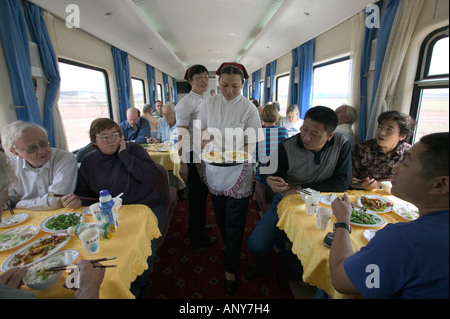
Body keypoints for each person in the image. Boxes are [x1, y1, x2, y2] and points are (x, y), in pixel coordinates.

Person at [329, 132, 449, 299]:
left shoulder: (404, 240)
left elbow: (341, 280)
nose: (395, 168)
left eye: (406, 164)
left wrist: (342, 221)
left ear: (440, 184)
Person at [246, 106, 352, 281]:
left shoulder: (342, 145)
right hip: (288, 200)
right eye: (304, 130)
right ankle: (264, 265)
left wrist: (301, 188)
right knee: (256, 244)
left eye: (315, 134)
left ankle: (288, 264)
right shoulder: (287, 146)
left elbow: (342, 182)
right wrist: (269, 180)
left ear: (330, 136)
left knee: (320, 248)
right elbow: (266, 171)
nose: (306, 137)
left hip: (324, 205)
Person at [61, 118, 164, 297]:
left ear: (122, 136)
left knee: (144, 247)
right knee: (108, 251)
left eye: (115, 135)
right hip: (108, 212)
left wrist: (124, 155)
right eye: (105, 136)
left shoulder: (133, 150)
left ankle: (141, 282)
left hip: (144, 206)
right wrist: (78, 201)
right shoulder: (89, 160)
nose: (111, 140)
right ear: (94, 141)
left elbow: (150, 176)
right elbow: (85, 193)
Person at [197, 62, 264, 296]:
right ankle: (230, 247)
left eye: (235, 86)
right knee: (221, 216)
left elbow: (253, 139)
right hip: (215, 168)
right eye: (224, 85)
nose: (229, 91)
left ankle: (230, 269)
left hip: (239, 169)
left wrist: (241, 154)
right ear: (218, 83)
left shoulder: (248, 108)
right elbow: (203, 130)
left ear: (243, 84)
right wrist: (204, 140)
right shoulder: (209, 103)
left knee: (235, 221)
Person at [0, 152, 105, 299]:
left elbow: (55, 199)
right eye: (1, 206)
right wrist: (89, 289)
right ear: (17, 153)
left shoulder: (64, 158)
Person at [175, 64, 217, 249]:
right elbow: (182, 133)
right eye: (199, 77)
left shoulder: (204, 100)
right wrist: (183, 163)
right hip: (192, 155)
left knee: (201, 194)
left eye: (206, 76)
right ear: (190, 81)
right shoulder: (185, 104)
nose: (204, 80)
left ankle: (197, 226)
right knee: (197, 196)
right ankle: (197, 237)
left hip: (203, 152)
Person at [1, 121, 77, 210]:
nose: (41, 151)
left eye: (43, 143)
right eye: (32, 148)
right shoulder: (10, 167)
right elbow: (7, 202)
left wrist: (20, 204)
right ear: (16, 153)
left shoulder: (65, 158)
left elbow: (56, 201)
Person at [351, 110, 415, 190]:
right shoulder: (362, 149)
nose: (381, 133)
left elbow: (411, 180)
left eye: (389, 130)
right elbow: (350, 179)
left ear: (402, 136)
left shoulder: (409, 153)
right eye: (380, 127)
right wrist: (361, 184)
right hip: (363, 195)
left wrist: (379, 183)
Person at [253, 104, 289, 215]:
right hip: (279, 173)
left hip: (263, 174)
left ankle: (263, 212)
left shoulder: (258, 133)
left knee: (263, 199)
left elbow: (254, 157)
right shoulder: (283, 131)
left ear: (262, 117)